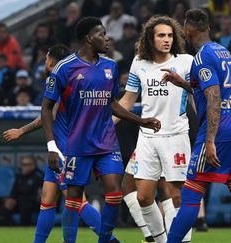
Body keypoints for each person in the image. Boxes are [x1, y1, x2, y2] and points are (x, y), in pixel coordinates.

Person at [41, 17, 160, 243]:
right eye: (102, 34)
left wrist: (140, 120)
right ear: (89, 38)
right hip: (77, 144)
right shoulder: (64, 68)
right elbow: (46, 109)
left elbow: (112, 103)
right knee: (73, 198)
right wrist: (52, 146)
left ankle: (104, 240)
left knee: (114, 194)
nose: (107, 38)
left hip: (106, 142)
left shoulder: (110, 66)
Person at [166, 9, 231, 243]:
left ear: (187, 31)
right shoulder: (223, 51)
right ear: (208, 28)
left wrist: (210, 140)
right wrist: (184, 84)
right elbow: (209, 90)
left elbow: (213, 96)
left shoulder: (201, 58)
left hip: (217, 132)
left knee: (190, 194)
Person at [3, 44, 121, 243]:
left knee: (77, 202)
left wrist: (21, 131)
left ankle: (111, 240)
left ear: (51, 61)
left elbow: (47, 115)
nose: (44, 62)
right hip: (59, 146)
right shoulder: (63, 77)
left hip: (66, 150)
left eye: (46, 58)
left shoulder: (64, 78)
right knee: (47, 200)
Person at [116, 15, 194, 243]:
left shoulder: (186, 62)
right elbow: (128, 99)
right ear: (151, 38)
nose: (167, 40)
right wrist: (106, 125)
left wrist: (183, 83)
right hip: (148, 138)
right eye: (161, 35)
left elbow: (200, 93)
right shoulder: (139, 63)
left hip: (176, 136)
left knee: (177, 196)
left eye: (170, 35)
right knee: (143, 197)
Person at [3, 156, 43, 225]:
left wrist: (19, 200)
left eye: (27, 165)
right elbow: (14, 192)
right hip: (19, 202)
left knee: (25, 206)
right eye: (23, 165)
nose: (24, 167)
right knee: (5, 205)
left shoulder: (38, 177)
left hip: (33, 204)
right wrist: (11, 200)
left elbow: (38, 197)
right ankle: (9, 228)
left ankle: (25, 228)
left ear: (33, 166)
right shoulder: (19, 177)